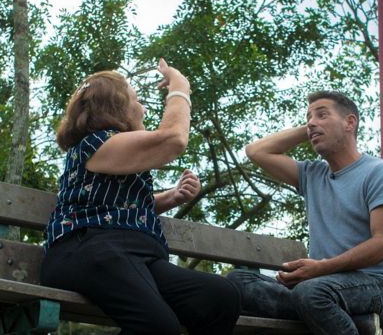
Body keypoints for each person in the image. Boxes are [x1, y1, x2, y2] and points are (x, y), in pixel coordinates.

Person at [40, 59, 241, 334]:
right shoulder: (96, 144)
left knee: (219, 297)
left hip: (136, 256)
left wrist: (170, 198)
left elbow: (112, 205)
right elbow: (172, 139)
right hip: (88, 251)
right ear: (116, 108)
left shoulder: (115, 154)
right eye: (137, 100)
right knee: (159, 328)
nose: (143, 108)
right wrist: (180, 87)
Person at [227, 91, 383, 334]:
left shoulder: (380, 173)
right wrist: (313, 127)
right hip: (318, 285)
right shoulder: (312, 175)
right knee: (239, 282)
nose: (311, 122)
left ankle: (319, 308)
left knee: (312, 293)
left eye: (322, 115)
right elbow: (256, 151)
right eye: (308, 118)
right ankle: (333, 315)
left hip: (377, 287)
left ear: (350, 123)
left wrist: (321, 268)